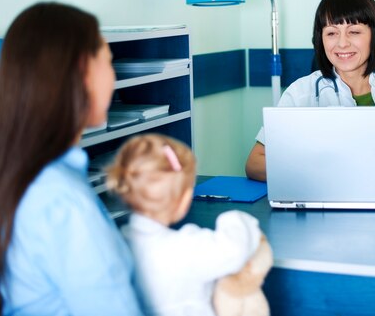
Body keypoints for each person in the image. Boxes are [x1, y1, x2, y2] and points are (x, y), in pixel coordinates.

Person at [0, 2, 143, 315]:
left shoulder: (14, 178)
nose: (114, 76)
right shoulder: (64, 202)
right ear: (84, 72)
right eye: (109, 62)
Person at [245, 0, 375, 187]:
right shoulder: (300, 94)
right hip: (317, 206)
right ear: (320, 39)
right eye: (331, 33)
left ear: (374, 35)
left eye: (354, 32)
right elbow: (255, 163)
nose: (342, 43)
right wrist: (324, 174)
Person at [107, 133, 263, 316]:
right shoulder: (188, 246)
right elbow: (235, 251)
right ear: (183, 202)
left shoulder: (115, 244)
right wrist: (234, 218)